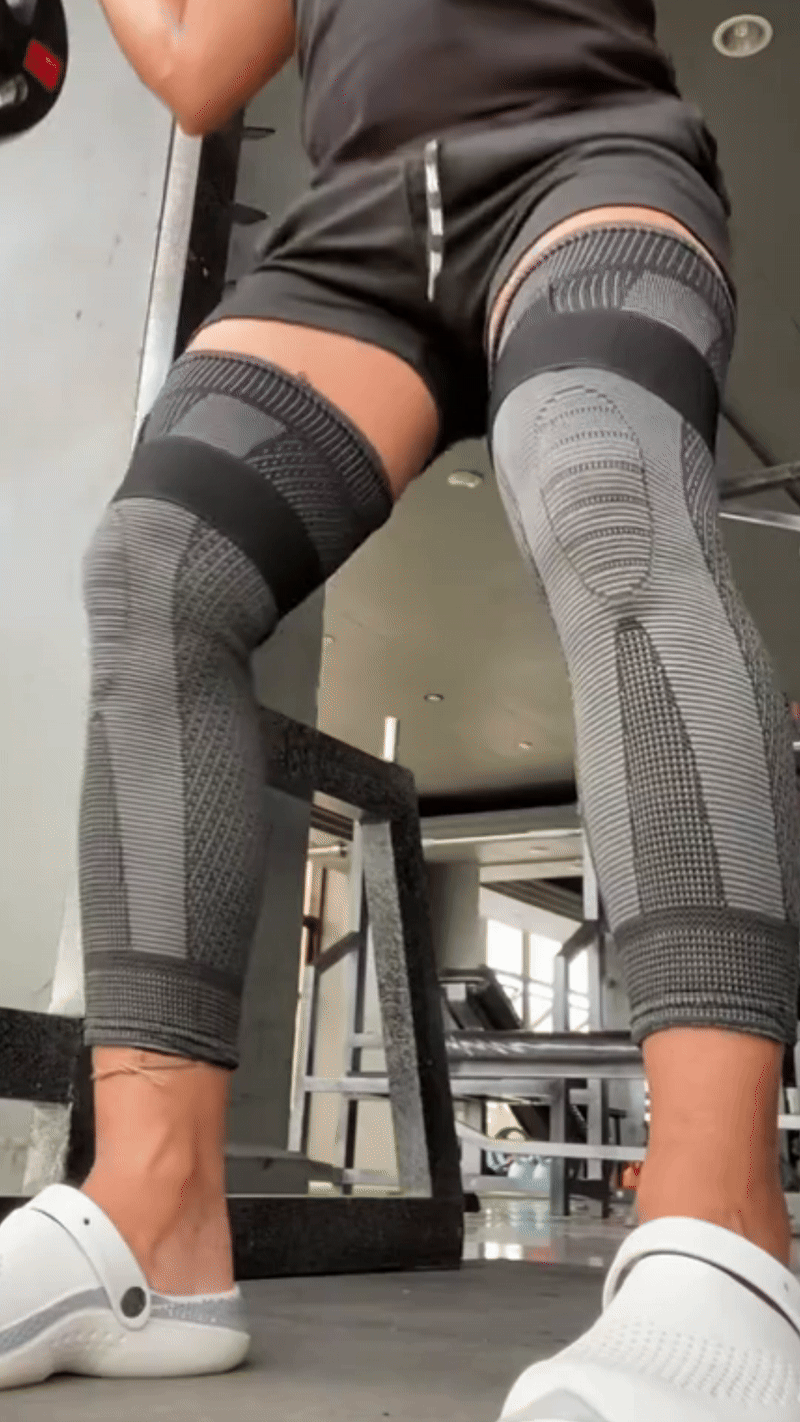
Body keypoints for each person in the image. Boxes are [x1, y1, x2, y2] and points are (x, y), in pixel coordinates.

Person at [2, 0, 799, 1415]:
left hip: (582, 150)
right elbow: (197, 70)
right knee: (159, 567)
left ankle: (724, 1232)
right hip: (357, 231)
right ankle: (152, 1221)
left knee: (606, 491)